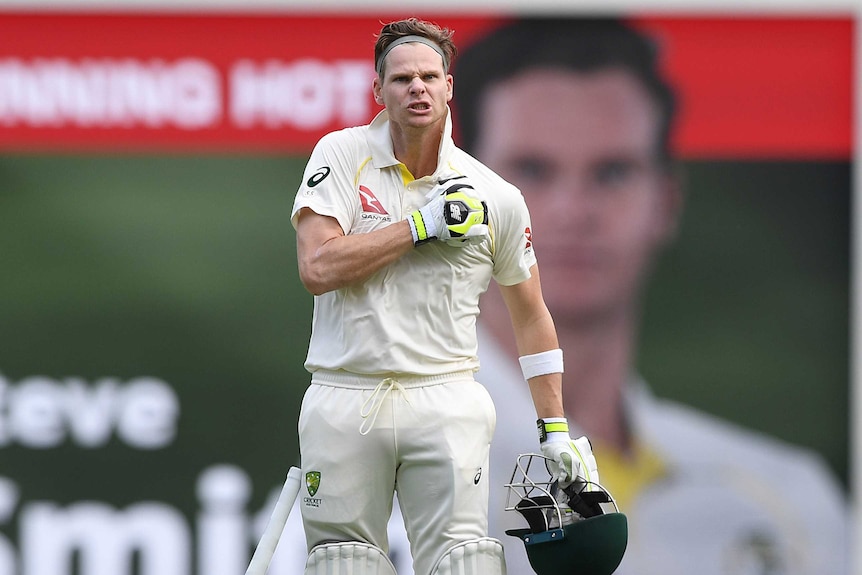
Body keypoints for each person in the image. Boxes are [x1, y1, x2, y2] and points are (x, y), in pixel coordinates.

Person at [452, 17, 849, 575]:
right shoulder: (380, 484)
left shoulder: (792, 501)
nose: (574, 209)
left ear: (666, 201)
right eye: (532, 170)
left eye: (612, 173)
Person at [288, 17, 598, 575]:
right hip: (345, 392)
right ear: (377, 89)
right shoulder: (339, 155)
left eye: (430, 76)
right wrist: (419, 226)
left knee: (464, 564)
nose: (417, 89)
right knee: (344, 564)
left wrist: (555, 429)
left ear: (449, 87)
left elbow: (531, 316)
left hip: (445, 396)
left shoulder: (496, 196)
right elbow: (317, 267)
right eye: (402, 79)